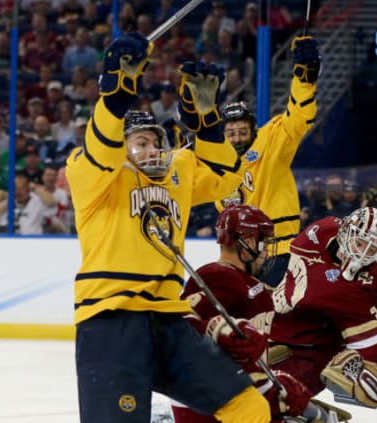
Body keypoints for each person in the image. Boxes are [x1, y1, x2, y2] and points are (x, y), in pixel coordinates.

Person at [65, 33, 269, 423]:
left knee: (249, 407)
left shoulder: (175, 174)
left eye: (156, 141)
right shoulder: (93, 174)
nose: (151, 150)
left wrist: (208, 122)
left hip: (168, 319)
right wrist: (116, 96)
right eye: (139, 142)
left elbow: (227, 176)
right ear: (122, 147)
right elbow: (101, 145)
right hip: (112, 319)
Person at [172, 204, 312, 423]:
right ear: (246, 243)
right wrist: (214, 328)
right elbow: (179, 327)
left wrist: (276, 382)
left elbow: (246, 353)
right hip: (214, 405)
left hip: (238, 397)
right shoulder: (219, 276)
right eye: (263, 243)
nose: (266, 252)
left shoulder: (247, 282)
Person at [217, 35, 321, 287]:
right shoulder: (216, 160)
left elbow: (299, 117)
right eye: (231, 133)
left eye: (242, 131)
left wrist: (304, 81)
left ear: (253, 129)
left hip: (278, 251)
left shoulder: (271, 141)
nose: (237, 138)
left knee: (270, 318)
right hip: (239, 256)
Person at [270, 207, 377, 409]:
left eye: (371, 250)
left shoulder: (372, 277)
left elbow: (373, 336)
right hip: (283, 326)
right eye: (359, 243)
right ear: (346, 232)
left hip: (316, 348)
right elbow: (303, 296)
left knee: (279, 402)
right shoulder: (321, 232)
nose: (362, 254)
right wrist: (343, 292)